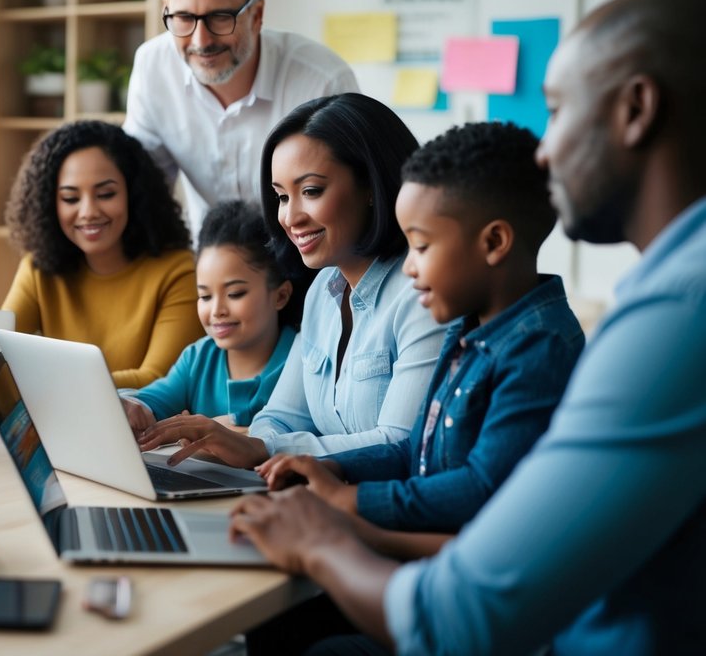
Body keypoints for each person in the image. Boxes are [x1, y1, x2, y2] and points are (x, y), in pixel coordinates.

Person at [228, 0, 706, 655]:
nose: (542, 153)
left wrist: (325, 535)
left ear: (635, 109)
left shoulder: (676, 309)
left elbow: (464, 609)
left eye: (558, 110)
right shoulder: (661, 289)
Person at [242, 122, 585, 654]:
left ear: (494, 242)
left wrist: (349, 502)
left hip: (480, 608)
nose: (408, 268)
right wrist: (331, 469)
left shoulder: (540, 347)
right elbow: (414, 451)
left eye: (421, 247)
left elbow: (478, 488)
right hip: (428, 561)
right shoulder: (469, 331)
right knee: (272, 623)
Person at [139, 93, 446, 467]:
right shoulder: (322, 289)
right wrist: (242, 448)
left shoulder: (423, 292)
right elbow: (280, 417)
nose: (290, 217)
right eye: (282, 196)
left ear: (371, 186)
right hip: (309, 495)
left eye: (311, 191)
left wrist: (264, 449)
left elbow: (400, 443)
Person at [123, 0, 358, 235]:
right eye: (183, 17)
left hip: (311, 267)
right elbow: (142, 189)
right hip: (211, 269)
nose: (201, 40)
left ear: (257, 15)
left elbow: (355, 202)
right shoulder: (153, 66)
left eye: (220, 16)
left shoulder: (322, 81)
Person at [1, 119, 203, 388]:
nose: (88, 212)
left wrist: (45, 384)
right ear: (50, 204)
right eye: (71, 198)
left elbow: (158, 381)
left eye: (106, 194)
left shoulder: (178, 270)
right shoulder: (37, 269)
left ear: (133, 194)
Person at [121, 199, 301, 433]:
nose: (217, 310)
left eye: (235, 293)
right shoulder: (198, 358)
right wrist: (131, 406)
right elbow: (149, 401)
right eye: (205, 296)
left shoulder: (301, 361)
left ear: (280, 296)